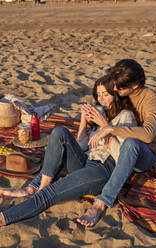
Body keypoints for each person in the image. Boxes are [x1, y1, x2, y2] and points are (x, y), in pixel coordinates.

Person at [0, 74, 137, 227]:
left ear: (116, 95)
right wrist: (84, 122)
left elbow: (124, 157)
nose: (101, 99)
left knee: (50, 194)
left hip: (101, 169)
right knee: (59, 132)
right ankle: (39, 186)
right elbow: (80, 146)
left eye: (105, 94)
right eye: (98, 95)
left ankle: (5, 216)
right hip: (85, 161)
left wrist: (105, 126)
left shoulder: (126, 116)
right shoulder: (102, 113)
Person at [77, 59, 156, 227]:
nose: (115, 89)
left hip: (144, 154)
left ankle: (102, 202)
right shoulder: (122, 91)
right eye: (115, 84)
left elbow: (148, 135)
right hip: (117, 147)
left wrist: (110, 128)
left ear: (136, 84)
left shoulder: (153, 100)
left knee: (131, 143)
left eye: (120, 86)